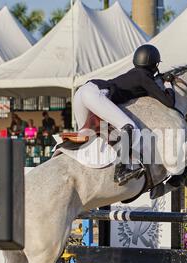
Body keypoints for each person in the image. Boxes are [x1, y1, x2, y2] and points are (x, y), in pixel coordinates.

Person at [73, 44, 176, 186]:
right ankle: (121, 170)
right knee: (129, 127)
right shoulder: (145, 77)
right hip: (96, 93)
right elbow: (169, 102)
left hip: (82, 92)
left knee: (86, 137)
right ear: (154, 64)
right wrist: (169, 85)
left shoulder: (135, 73)